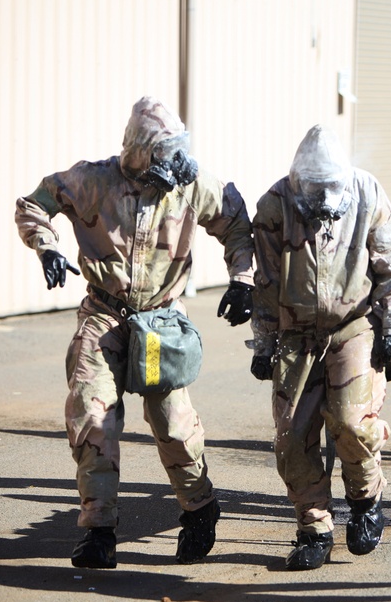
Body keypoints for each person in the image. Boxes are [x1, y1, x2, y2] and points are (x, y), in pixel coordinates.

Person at [15, 97, 255, 569]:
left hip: (160, 323)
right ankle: (99, 532)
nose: (173, 161)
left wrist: (242, 280)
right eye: (163, 151)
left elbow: (236, 224)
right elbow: (33, 204)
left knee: (173, 426)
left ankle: (200, 509)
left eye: (177, 149)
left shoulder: (190, 184)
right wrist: (46, 248)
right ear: (141, 151)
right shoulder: (93, 181)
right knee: (92, 418)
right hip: (104, 317)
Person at [249, 125, 391, 570]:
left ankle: (365, 500)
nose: (321, 199)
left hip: (353, 326)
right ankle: (314, 529)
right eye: (312, 189)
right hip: (296, 334)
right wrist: (263, 343)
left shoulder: (366, 194)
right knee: (292, 438)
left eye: (329, 189)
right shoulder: (275, 206)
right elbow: (264, 281)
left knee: (350, 423)